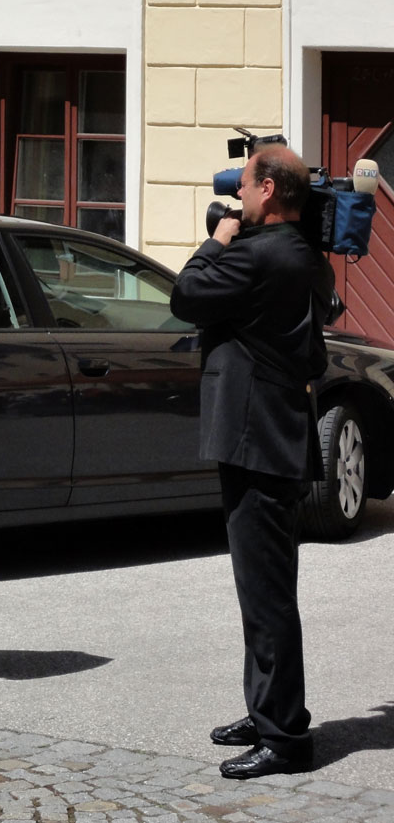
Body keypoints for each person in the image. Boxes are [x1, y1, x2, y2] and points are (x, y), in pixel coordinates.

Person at [171, 145, 335, 780]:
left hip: (258, 442)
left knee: (266, 595)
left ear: (269, 190)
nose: (236, 198)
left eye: (243, 187)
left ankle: (285, 737)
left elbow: (187, 294)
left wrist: (216, 239)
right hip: (268, 436)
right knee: (261, 590)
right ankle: (266, 708)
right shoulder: (301, 256)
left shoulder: (258, 254)